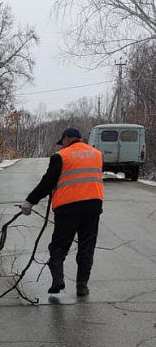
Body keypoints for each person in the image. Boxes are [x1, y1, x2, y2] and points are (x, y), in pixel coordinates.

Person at [20, 127, 104, 296]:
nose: (61, 146)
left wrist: (30, 201)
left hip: (68, 208)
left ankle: (58, 280)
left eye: (62, 142)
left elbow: (47, 182)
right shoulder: (97, 154)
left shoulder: (61, 156)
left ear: (66, 139)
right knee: (86, 247)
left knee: (58, 246)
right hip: (93, 207)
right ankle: (82, 286)